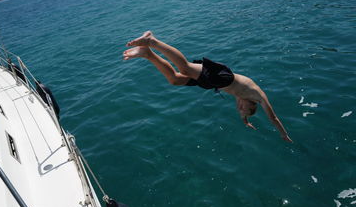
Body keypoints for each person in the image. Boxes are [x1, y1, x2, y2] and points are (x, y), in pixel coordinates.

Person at [123, 31, 293, 143]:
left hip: (212, 84)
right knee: (185, 68)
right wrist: (283, 134)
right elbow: (273, 118)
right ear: (252, 104)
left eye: (241, 109)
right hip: (222, 76)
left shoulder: (242, 100)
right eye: (244, 108)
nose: (240, 107)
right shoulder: (257, 95)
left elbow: (242, 114)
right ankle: (152, 41)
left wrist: (245, 122)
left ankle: (147, 53)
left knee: (174, 79)